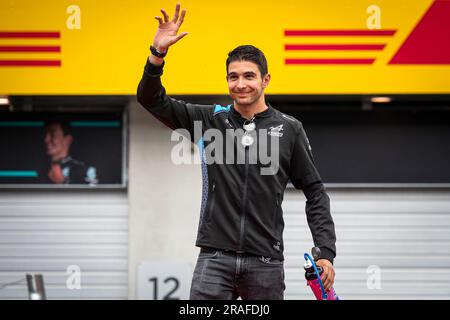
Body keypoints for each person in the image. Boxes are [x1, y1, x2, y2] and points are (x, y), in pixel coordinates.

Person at [137, 3, 336, 300]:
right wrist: (157, 54)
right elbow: (151, 100)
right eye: (233, 77)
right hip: (214, 260)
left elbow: (315, 191)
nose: (240, 84)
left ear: (265, 80)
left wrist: (325, 252)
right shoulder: (209, 120)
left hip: (265, 263)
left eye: (249, 76)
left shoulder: (289, 129)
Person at [44, 121, 98, 185]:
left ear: (67, 139)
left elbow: (92, 193)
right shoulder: (39, 170)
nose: (46, 140)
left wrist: (63, 182)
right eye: (45, 135)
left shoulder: (86, 170)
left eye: (53, 135)